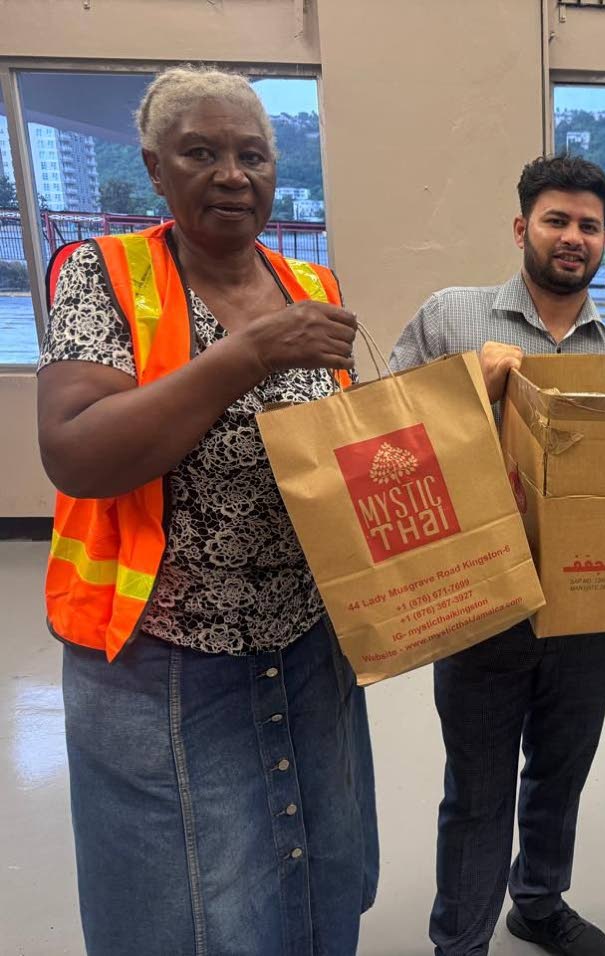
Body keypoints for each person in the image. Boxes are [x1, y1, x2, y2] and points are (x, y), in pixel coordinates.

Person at [37, 66, 379, 955]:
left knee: (314, 879)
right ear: (155, 168)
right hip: (161, 651)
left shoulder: (308, 280)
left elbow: (337, 443)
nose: (232, 175)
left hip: (305, 639)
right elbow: (77, 454)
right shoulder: (104, 274)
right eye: (201, 153)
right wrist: (247, 353)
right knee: (188, 906)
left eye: (252, 156)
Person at [389, 154, 605, 956]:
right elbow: (380, 433)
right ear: (522, 226)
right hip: (478, 595)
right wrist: (471, 385)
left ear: (604, 240)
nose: (573, 237)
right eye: (557, 220)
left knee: (560, 774)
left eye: (589, 226)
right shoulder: (451, 318)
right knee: (478, 788)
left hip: (582, 607)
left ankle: (537, 902)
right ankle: (459, 940)